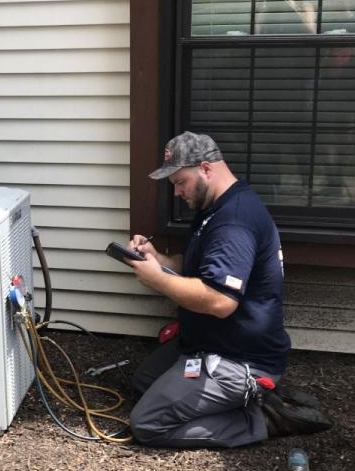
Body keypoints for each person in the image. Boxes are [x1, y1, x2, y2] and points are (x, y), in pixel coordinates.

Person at [125, 131, 330, 448]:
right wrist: (159, 260)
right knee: (144, 383)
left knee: (147, 423)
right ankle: (253, 399)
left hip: (238, 359)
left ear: (205, 168)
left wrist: (158, 280)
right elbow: (200, 270)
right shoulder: (216, 209)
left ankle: (263, 418)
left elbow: (221, 301)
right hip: (205, 344)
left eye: (181, 182)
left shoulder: (234, 221)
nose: (178, 192)